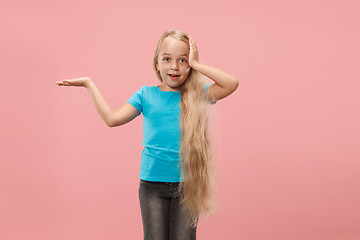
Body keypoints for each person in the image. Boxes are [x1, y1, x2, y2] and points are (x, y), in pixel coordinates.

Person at [56, 29, 238, 240]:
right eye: (167, 59)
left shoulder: (198, 94)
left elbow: (231, 83)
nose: (174, 67)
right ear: (156, 64)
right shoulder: (146, 95)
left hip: (188, 186)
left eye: (182, 60)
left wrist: (197, 64)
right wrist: (89, 84)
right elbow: (112, 119)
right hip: (152, 186)